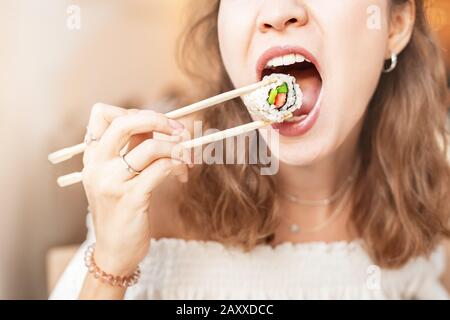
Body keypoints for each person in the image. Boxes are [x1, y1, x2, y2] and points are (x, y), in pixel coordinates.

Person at [50, 0, 450, 300]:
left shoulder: (425, 197)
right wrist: (110, 265)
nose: (277, 10)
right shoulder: (160, 188)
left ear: (394, 24)